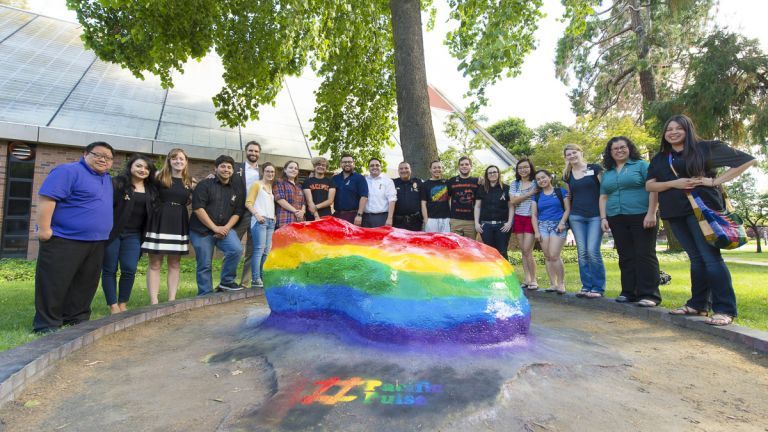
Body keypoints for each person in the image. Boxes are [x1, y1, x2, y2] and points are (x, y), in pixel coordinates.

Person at [646, 114, 756, 326]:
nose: (673, 132)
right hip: (675, 213)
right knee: (696, 259)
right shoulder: (660, 158)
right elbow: (650, 186)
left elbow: (747, 160)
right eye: (669, 129)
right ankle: (698, 305)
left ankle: (725, 309)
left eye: (678, 128)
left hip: (702, 211)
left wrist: (715, 180)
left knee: (711, 258)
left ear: (688, 130)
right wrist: (675, 183)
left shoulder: (705, 148)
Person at [33, 141, 115, 333]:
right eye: (98, 154)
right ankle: (47, 324)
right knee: (54, 282)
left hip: (96, 241)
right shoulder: (67, 171)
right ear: (85, 153)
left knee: (85, 283)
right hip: (64, 239)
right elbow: (47, 198)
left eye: (109, 157)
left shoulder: (107, 179)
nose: (103, 159)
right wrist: (44, 229)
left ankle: (76, 318)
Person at [599, 137, 661, 307]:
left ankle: (649, 295)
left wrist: (651, 213)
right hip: (616, 217)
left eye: (622, 147)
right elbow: (603, 196)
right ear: (610, 153)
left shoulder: (642, 165)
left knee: (644, 254)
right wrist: (603, 217)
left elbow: (653, 190)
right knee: (626, 255)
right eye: (615, 149)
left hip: (642, 215)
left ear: (629, 148)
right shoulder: (608, 173)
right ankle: (628, 292)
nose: (619, 151)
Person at [102, 154, 158, 314]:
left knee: (129, 269)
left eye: (147, 168)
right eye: (139, 166)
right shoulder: (117, 184)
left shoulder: (151, 190)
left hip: (134, 235)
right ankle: (113, 305)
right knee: (109, 269)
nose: (143, 170)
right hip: (113, 233)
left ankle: (122, 303)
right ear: (131, 167)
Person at [142, 148, 194, 304]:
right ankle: (154, 300)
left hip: (179, 222)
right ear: (169, 161)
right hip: (159, 220)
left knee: (174, 262)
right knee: (155, 262)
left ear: (186, 162)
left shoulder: (189, 181)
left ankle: (172, 299)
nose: (178, 161)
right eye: (174, 158)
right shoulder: (159, 177)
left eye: (181, 159)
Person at [189, 155, 245, 295]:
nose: (226, 169)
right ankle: (205, 294)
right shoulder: (204, 185)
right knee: (205, 263)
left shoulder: (236, 189)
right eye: (223, 166)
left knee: (236, 249)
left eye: (229, 167)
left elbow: (238, 212)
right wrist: (215, 228)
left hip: (224, 229)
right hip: (201, 230)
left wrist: (226, 228)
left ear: (232, 170)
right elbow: (198, 208)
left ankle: (226, 282)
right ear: (216, 168)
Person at [563, 143, 606, 298]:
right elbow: (569, 195)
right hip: (577, 216)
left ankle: (598, 287)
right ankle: (586, 286)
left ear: (581, 152)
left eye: (574, 152)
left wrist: (604, 216)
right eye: (569, 154)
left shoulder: (595, 168)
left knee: (592, 251)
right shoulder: (568, 175)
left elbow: (605, 191)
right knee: (582, 252)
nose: (572, 156)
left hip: (595, 215)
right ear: (566, 158)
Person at [531, 169, 571, 294]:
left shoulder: (561, 192)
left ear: (550, 177)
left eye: (543, 177)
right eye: (538, 179)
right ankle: (553, 284)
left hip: (558, 225)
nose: (541, 181)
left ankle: (561, 283)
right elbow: (534, 215)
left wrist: (562, 223)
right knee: (548, 256)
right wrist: (536, 232)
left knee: (554, 255)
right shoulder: (536, 196)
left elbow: (567, 209)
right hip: (542, 226)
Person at [233, 140, 260, 288]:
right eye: (251, 150)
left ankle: (244, 283)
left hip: (257, 214)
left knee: (252, 249)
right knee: (233, 248)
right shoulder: (237, 169)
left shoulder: (263, 172)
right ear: (246, 151)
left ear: (259, 154)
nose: (253, 153)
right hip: (240, 213)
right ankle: (228, 281)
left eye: (256, 151)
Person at [245, 162, 277, 291]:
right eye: (268, 171)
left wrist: (273, 216)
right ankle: (255, 278)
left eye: (272, 172)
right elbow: (248, 203)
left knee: (266, 251)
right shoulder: (256, 185)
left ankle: (263, 278)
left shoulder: (270, 187)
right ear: (263, 172)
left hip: (270, 222)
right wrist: (257, 215)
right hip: (260, 221)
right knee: (258, 250)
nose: (270, 174)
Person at [509, 158, 538, 290]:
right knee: (523, 250)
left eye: (525, 167)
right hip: (518, 217)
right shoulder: (515, 184)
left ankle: (534, 279)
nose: (523, 170)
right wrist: (530, 193)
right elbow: (513, 201)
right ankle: (527, 278)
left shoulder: (536, 182)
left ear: (530, 168)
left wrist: (526, 194)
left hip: (531, 218)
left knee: (527, 250)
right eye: (520, 168)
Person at [474, 165, 513, 259]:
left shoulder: (506, 188)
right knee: (489, 252)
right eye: (490, 173)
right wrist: (476, 223)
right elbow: (477, 207)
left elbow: (511, 207)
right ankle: (493, 273)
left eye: (494, 172)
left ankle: (504, 273)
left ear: (498, 174)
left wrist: (509, 222)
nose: (492, 174)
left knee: (502, 251)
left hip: (502, 226)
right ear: (486, 175)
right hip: (486, 226)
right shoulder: (482, 189)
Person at [447, 156, 480, 238]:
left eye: (466, 164)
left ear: (470, 166)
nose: (464, 166)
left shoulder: (477, 181)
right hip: (455, 220)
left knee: (470, 247)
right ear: (458, 167)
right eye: (462, 165)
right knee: (456, 246)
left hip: (471, 221)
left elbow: (479, 203)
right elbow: (446, 199)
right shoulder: (452, 181)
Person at [333, 154, 368, 225]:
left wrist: (359, 215)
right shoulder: (335, 178)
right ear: (340, 164)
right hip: (337, 215)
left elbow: (364, 197)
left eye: (349, 162)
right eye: (344, 162)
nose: (347, 164)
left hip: (353, 216)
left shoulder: (360, 178)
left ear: (353, 164)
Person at [363, 158, 397, 227]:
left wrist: (390, 218)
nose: (374, 167)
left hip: (382, 218)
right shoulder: (364, 181)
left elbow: (392, 200)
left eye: (377, 165)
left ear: (381, 167)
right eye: (372, 165)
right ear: (368, 168)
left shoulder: (388, 181)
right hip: (365, 218)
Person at [421, 160, 451, 233]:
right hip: (431, 219)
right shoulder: (425, 184)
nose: (437, 169)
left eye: (439, 167)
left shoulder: (447, 183)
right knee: (431, 243)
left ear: (442, 169)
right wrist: (426, 219)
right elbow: (423, 203)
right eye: (434, 168)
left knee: (445, 242)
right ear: (430, 169)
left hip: (446, 218)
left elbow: (450, 200)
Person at [274, 160, 306, 228]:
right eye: (291, 168)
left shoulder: (299, 186)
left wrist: (302, 212)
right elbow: (280, 199)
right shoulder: (279, 182)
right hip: (285, 219)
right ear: (285, 170)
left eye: (296, 168)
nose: (293, 170)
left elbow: (303, 202)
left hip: (299, 220)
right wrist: (296, 212)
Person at [302, 156, 336, 221]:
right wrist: (316, 216)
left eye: (323, 165)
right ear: (314, 167)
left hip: (326, 215)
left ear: (326, 168)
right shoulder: (307, 181)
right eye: (318, 164)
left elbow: (330, 201)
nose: (321, 166)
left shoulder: (330, 182)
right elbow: (309, 200)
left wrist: (316, 207)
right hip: (311, 215)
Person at [393, 161, 423, 231]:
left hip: (415, 222)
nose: (404, 170)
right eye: (401, 169)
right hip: (398, 222)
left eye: (406, 168)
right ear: (398, 171)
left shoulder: (419, 182)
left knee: (414, 241)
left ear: (410, 170)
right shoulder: (392, 183)